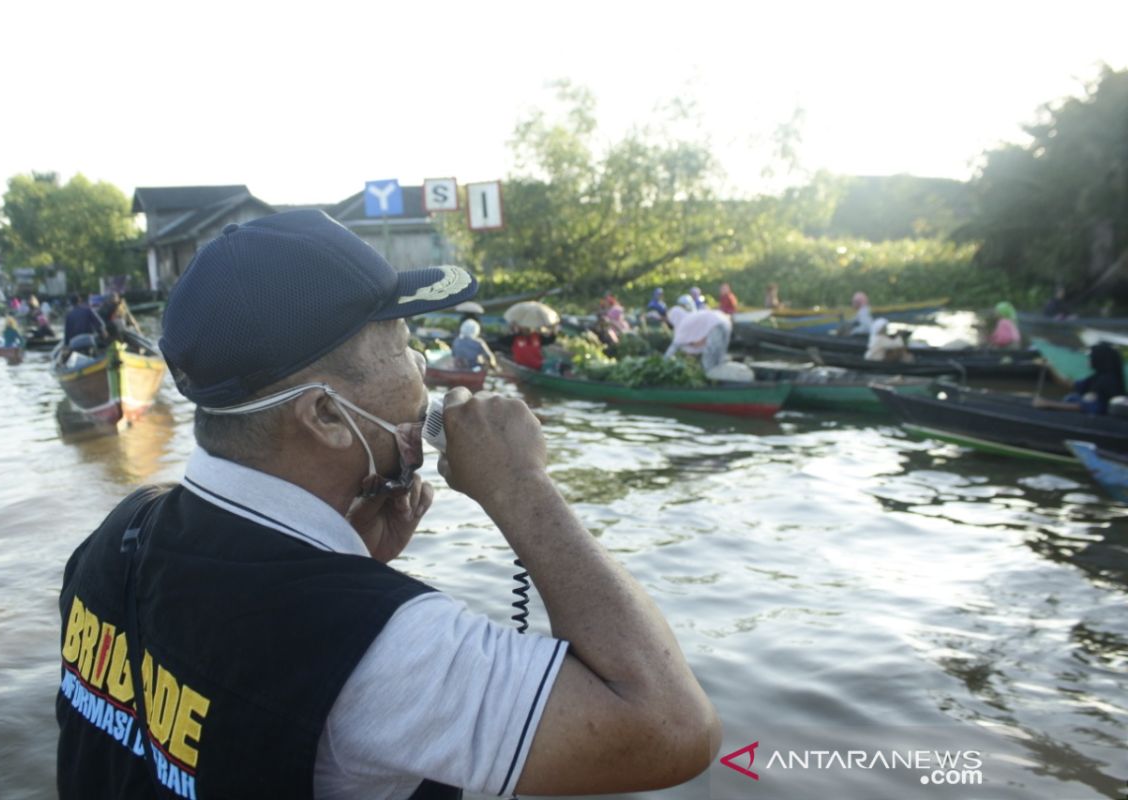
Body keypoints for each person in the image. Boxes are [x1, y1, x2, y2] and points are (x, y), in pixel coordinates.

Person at [56, 209, 718, 799]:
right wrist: (520, 486)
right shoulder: (378, 646)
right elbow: (670, 727)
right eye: (405, 347)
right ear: (326, 415)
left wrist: (353, 561)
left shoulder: (122, 531)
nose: (424, 370)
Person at [1035, 342, 1126, 415]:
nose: (1088, 358)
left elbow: (1086, 406)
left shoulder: (1107, 380)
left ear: (1100, 358)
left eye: (1091, 356)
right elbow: (1070, 385)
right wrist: (1051, 367)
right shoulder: (1097, 377)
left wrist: (1047, 404)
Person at [664, 308, 734, 372]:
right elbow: (699, 340)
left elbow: (674, 347)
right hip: (724, 321)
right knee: (719, 358)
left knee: (708, 362)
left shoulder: (683, 325)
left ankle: (712, 383)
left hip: (717, 325)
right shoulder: (690, 318)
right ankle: (720, 381)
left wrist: (664, 361)